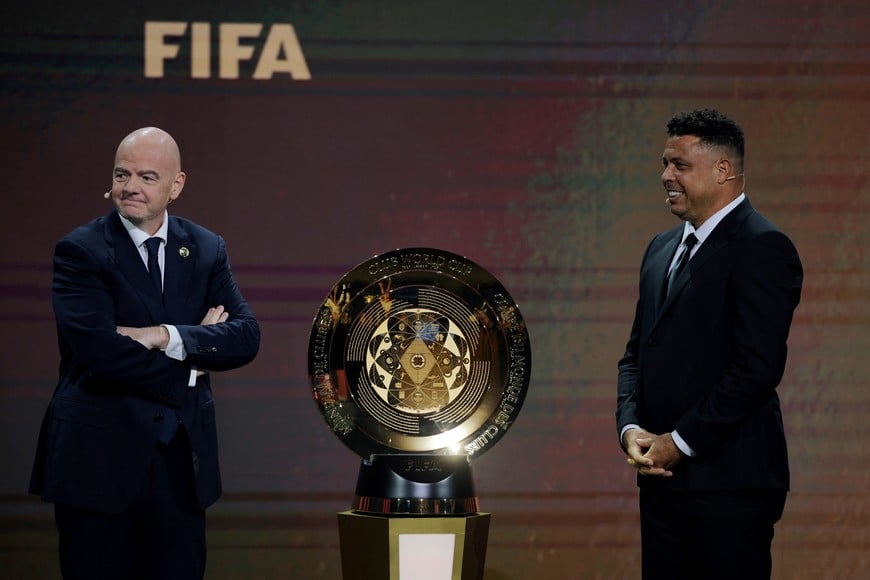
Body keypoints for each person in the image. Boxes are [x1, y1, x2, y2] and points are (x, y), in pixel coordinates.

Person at [29, 127, 261, 579]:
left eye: (147, 176)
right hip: (97, 465)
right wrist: (194, 356)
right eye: (122, 174)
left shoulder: (206, 248)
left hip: (180, 471)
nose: (130, 186)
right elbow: (102, 352)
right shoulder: (81, 250)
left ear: (176, 186)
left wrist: (163, 335)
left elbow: (245, 336)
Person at [616, 109, 803, 579]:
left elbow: (756, 370)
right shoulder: (660, 248)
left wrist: (678, 442)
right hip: (662, 485)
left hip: (731, 487)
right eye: (665, 163)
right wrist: (631, 427)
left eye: (680, 165)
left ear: (723, 170)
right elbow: (637, 354)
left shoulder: (763, 247)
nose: (665, 176)